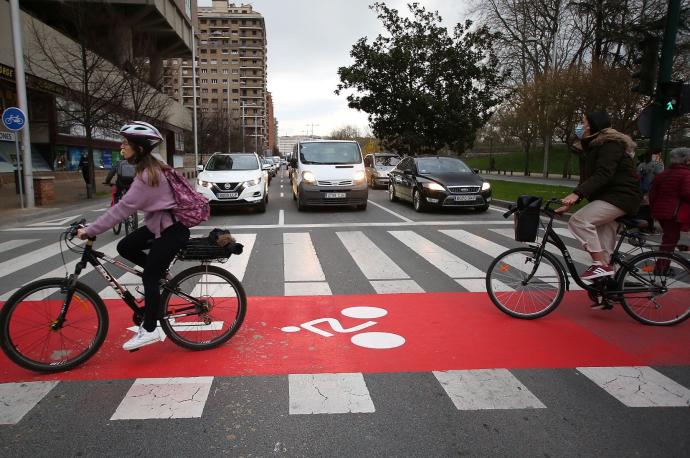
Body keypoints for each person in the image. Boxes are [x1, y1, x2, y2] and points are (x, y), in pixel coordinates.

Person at [77, 121, 190, 351]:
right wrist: (93, 225)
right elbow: (122, 207)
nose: (122, 147)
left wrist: (91, 230)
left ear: (139, 148)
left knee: (149, 277)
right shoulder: (149, 168)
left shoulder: (149, 175)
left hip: (172, 231)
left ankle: (150, 329)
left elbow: (122, 209)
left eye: (125, 143)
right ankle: (159, 272)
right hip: (159, 226)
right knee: (126, 246)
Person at [557, 111, 641, 282]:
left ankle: (600, 265)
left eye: (583, 122)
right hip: (610, 197)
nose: (580, 126)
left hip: (620, 197)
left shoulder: (610, 144)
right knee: (604, 251)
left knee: (578, 221)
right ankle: (608, 289)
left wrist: (577, 194)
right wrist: (574, 199)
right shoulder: (592, 147)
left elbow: (603, 174)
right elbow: (587, 180)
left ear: (592, 125)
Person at [649, 147, 690, 254]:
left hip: (660, 211)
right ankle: (661, 267)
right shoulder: (686, 174)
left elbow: (652, 193)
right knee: (670, 240)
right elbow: (687, 193)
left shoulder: (662, 174)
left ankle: (662, 266)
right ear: (686, 159)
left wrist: (653, 209)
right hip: (674, 213)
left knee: (669, 238)